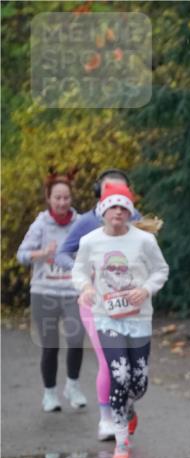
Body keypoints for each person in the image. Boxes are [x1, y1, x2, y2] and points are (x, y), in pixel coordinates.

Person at [72, 182, 169, 458]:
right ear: (102, 210)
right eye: (112, 206)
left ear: (129, 212)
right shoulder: (90, 241)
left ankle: (128, 410)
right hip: (106, 317)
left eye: (123, 207)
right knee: (119, 374)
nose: (117, 212)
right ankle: (121, 443)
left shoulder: (144, 241)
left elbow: (161, 270)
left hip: (138, 318)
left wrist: (147, 289)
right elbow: (78, 270)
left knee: (138, 383)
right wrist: (86, 288)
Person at [56, 168, 139, 439]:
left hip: (127, 301)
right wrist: (85, 272)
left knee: (130, 362)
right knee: (108, 359)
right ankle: (106, 419)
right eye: (108, 191)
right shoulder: (86, 222)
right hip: (94, 302)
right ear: (98, 194)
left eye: (120, 192)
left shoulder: (134, 220)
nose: (114, 199)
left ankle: (123, 405)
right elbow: (62, 254)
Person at [17, 172, 87, 413]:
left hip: (72, 290)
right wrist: (43, 253)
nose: (62, 202)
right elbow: (22, 255)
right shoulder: (40, 224)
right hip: (44, 291)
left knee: (77, 340)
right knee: (50, 345)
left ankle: (73, 386)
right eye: (57, 197)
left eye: (66, 197)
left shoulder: (80, 223)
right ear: (49, 198)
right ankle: (49, 394)